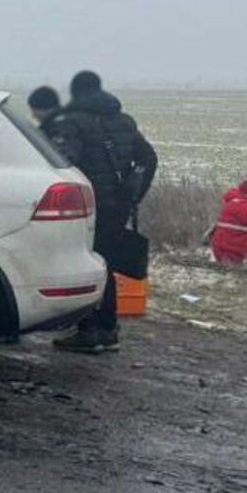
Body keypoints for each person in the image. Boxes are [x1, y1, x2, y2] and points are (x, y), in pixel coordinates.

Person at [40, 71, 157, 353]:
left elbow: (65, 160)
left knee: (88, 265)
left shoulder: (73, 122)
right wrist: (134, 194)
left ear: (76, 92)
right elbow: (149, 158)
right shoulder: (123, 121)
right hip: (119, 206)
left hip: (89, 206)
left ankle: (90, 331)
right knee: (106, 265)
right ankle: (107, 328)